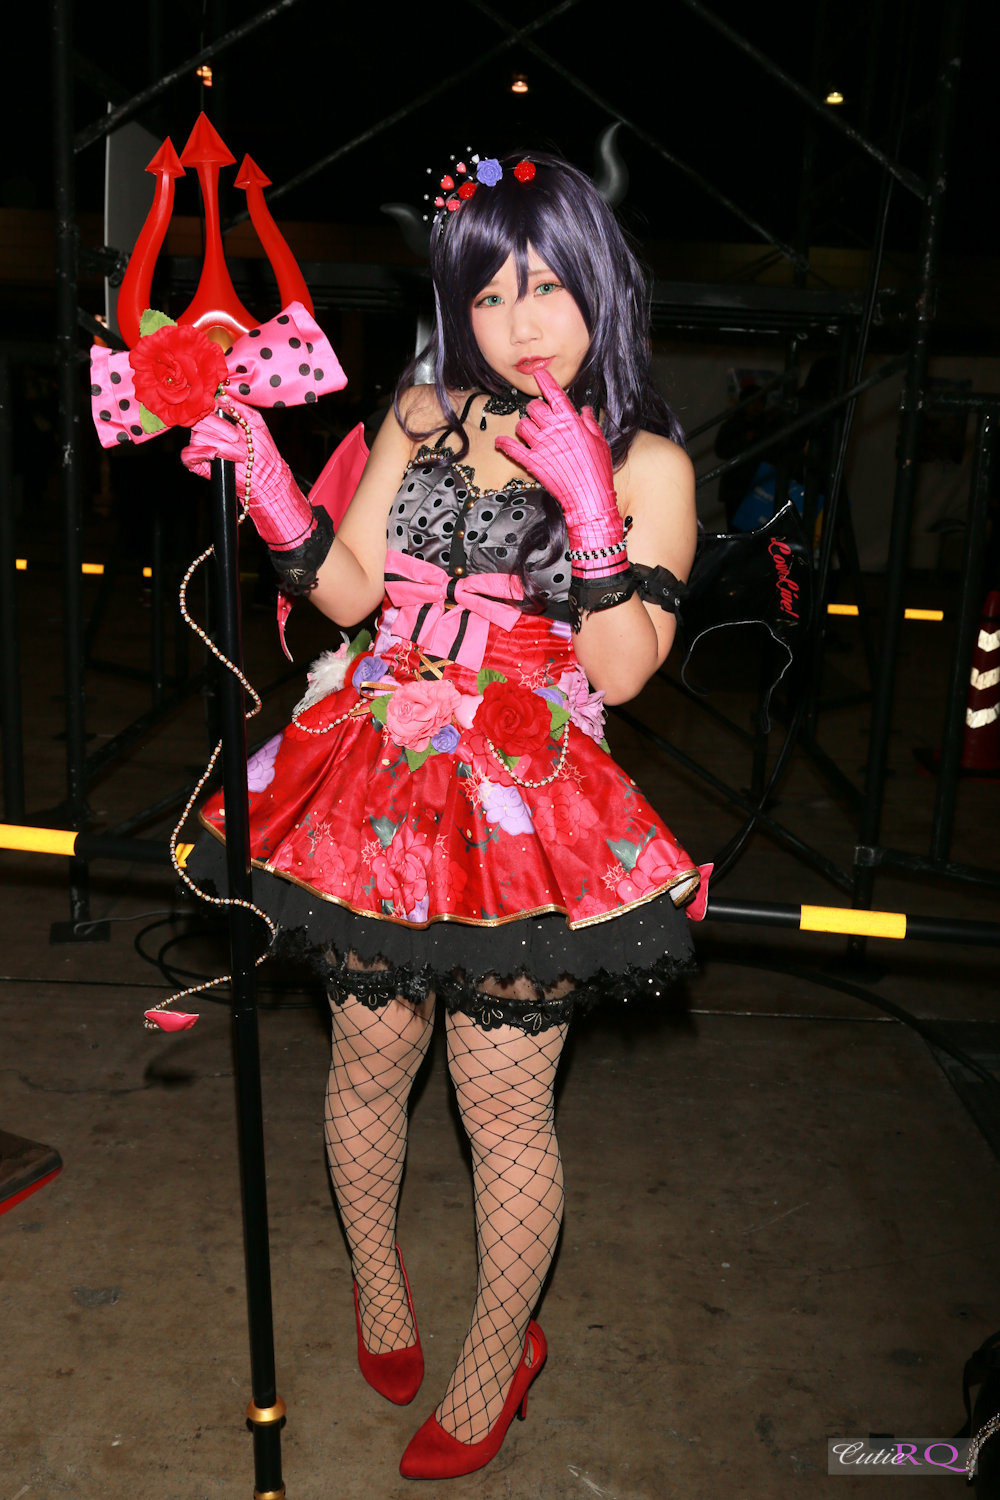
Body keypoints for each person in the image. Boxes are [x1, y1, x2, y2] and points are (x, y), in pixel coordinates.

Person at [180, 150, 701, 1480]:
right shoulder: (419, 413)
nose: (520, 322)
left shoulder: (649, 460)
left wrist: (591, 509)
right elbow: (350, 592)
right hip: (379, 775)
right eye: (488, 295)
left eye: (547, 287)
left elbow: (625, 672)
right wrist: (266, 478)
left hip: (526, 802)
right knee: (367, 1056)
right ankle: (380, 1280)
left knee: (503, 1102)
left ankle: (498, 1351)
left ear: (600, 285)